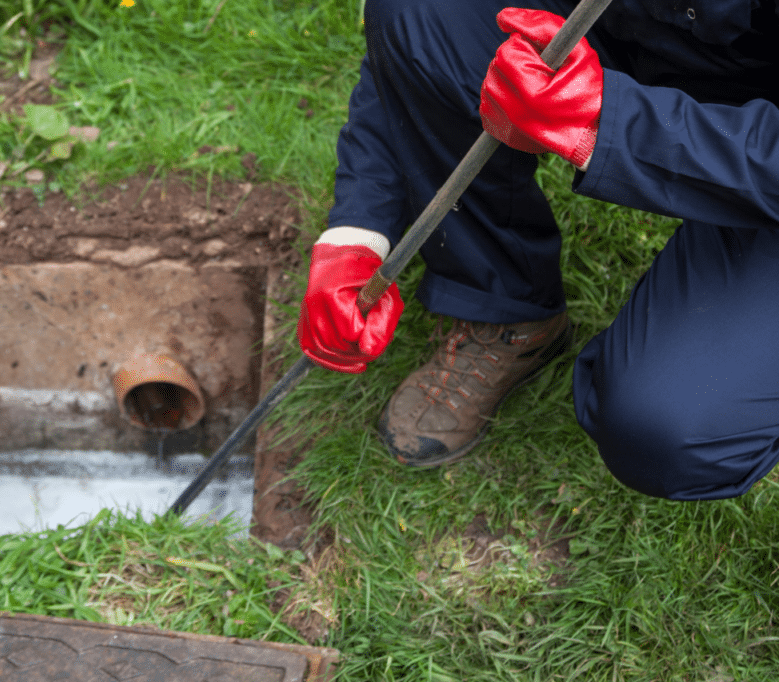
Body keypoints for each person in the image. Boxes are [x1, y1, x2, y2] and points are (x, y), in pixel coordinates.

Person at [298, 0, 779, 501]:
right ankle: (504, 311)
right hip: (653, 34)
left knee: (668, 428)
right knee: (419, 11)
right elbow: (419, 31)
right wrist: (358, 229)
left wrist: (610, 126)